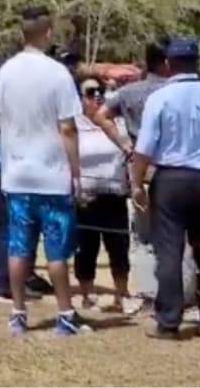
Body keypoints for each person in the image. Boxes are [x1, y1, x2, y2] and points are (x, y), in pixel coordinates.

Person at [131, 36, 200, 338]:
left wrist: (136, 183)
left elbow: (144, 149)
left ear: (168, 64)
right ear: (196, 62)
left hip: (171, 179)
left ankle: (169, 321)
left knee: (169, 250)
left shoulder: (160, 98)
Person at [0, 5, 82, 336]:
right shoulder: (58, 73)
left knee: (19, 246)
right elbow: (68, 127)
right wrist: (75, 171)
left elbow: (0, 119)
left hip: (17, 173)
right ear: (47, 33)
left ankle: (18, 312)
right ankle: (65, 314)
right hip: (51, 175)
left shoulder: (5, 72)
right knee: (56, 250)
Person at [90, 40, 196, 311]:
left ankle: (151, 294)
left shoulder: (129, 92)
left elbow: (101, 115)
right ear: (167, 62)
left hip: (142, 170)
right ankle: (183, 294)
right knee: (180, 237)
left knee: (146, 237)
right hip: (178, 168)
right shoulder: (180, 91)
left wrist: (125, 145)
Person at [0, 98, 56, 302]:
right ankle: (5, 284)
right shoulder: (12, 111)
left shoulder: (4, 109)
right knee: (10, 229)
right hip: (6, 170)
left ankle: (17, 278)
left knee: (9, 228)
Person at [72, 78, 131, 311]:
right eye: (90, 92)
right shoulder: (73, 126)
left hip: (115, 195)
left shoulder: (118, 123)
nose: (97, 96)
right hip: (85, 197)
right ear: (80, 97)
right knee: (86, 248)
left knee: (119, 248)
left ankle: (121, 296)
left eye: (101, 91)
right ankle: (87, 295)